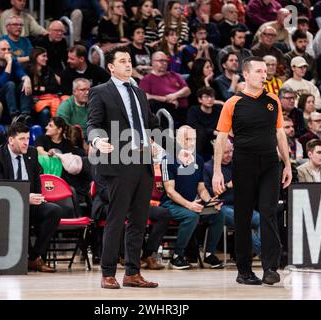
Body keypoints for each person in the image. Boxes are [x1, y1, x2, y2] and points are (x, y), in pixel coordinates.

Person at [212, 56, 292, 285]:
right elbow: (221, 138)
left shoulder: (273, 101)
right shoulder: (233, 103)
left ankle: (270, 268)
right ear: (246, 75)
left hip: (270, 164)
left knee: (268, 213)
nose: (264, 74)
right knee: (243, 217)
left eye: (265, 71)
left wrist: (287, 164)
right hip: (243, 163)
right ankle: (244, 270)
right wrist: (218, 171)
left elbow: (280, 134)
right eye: (258, 71)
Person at [87, 46, 161, 289]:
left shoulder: (139, 92)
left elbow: (150, 123)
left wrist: (158, 140)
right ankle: (108, 273)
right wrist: (98, 140)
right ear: (111, 66)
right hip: (118, 162)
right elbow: (93, 123)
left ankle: (132, 272)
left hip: (142, 161)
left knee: (139, 221)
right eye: (122, 61)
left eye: (129, 61)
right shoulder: (100, 92)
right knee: (116, 220)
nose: (128, 65)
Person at [0, 122, 62, 272]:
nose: (26, 142)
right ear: (11, 140)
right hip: (6, 206)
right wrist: (24, 198)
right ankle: (26, 258)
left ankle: (33, 257)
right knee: (20, 213)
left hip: (30, 204)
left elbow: (36, 180)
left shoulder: (32, 153)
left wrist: (38, 198)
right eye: (22, 139)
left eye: (27, 138)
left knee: (54, 211)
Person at [161, 125, 225, 270]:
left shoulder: (199, 160)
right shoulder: (168, 159)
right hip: (171, 205)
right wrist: (189, 205)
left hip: (192, 204)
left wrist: (210, 202)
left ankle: (208, 254)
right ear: (178, 140)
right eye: (187, 139)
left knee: (218, 214)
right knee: (191, 216)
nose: (191, 143)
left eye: (193, 139)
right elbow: (170, 191)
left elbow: (201, 188)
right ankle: (177, 256)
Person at [203, 140, 262, 258]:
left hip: (239, 205)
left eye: (231, 151)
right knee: (243, 222)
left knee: (262, 219)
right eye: (226, 152)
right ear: (217, 152)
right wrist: (226, 186)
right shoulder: (208, 167)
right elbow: (208, 195)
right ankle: (263, 252)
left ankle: (258, 250)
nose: (230, 154)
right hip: (220, 206)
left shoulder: (236, 165)